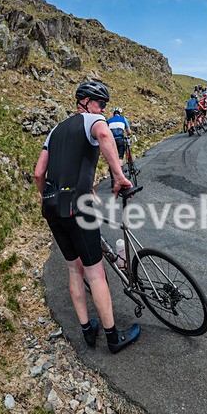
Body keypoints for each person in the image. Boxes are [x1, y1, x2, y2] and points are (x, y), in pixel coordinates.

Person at [33, 81, 140, 354]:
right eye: (100, 103)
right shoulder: (93, 120)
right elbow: (104, 135)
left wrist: (48, 197)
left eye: (103, 105)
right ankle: (114, 338)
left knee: (73, 269)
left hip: (52, 209)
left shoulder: (55, 131)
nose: (102, 109)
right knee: (95, 273)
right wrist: (118, 175)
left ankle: (87, 330)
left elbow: (38, 173)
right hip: (78, 208)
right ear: (85, 102)